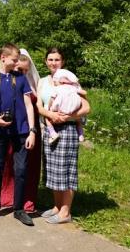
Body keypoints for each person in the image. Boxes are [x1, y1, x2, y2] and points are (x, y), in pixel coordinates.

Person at [0, 48, 41, 213]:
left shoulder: (21, 78)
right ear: (3, 58)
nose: (17, 63)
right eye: (14, 59)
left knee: (21, 170)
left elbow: (28, 106)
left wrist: (32, 131)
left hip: (21, 132)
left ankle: (19, 209)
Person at [37, 48, 91, 225]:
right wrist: (51, 115)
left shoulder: (71, 80)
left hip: (67, 130)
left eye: (57, 60)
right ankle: (57, 206)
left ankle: (65, 212)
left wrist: (68, 117)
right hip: (50, 129)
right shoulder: (43, 81)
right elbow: (39, 106)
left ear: (63, 61)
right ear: (45, 61)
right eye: (50, 59)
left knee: (66, 170)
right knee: (53, 170)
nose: (53, 63)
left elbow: (85, 108)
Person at [45, 68, 86, 143]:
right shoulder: (73, 88)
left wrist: (49, 108)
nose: (54, 83)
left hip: (60, 110)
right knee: (78, 120)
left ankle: (53, 133)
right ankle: (81, 134)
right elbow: (84, 93)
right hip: (73, 109)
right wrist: (77, 87)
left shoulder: (57, 88)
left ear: (60, 82)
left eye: (55, 82)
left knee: (47, 119)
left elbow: (52, 99)